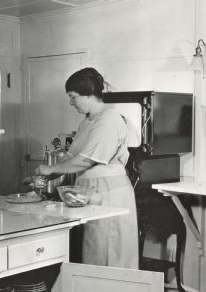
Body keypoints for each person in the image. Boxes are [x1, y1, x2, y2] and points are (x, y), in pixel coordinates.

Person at [35, 67, 138, 269]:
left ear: (88, 93)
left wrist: (49, 170)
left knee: (111, 254)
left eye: (73, 97)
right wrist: (51, 173)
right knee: (95, 253)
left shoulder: (109, 119)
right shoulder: (88, 121)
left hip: (110, 193)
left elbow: (85, 161)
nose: (71, 102)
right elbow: (72, 156)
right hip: (92, 193)